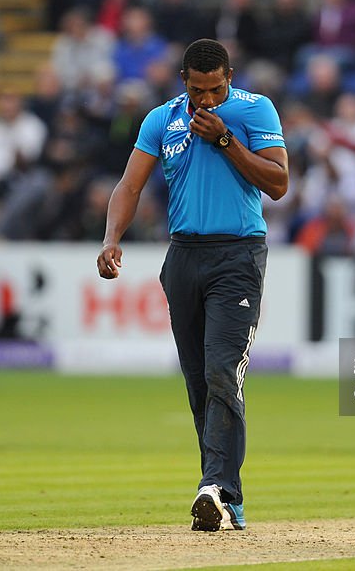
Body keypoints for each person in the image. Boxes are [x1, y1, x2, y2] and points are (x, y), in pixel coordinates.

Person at [96, 39, 288, 532]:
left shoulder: (253, 109)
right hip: (183, 256)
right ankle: (228, 496)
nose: (208, 99)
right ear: (184, 80)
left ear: (230, 77)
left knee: (224, 369)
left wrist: (225, 140)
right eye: (199, 90)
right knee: (200, 380)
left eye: (217, 89)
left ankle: (213, 487)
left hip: (238, 255)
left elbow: (279, 182)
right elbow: (130, 185)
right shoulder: (161, 120)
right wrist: (111, 238)